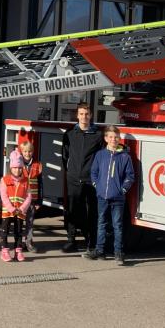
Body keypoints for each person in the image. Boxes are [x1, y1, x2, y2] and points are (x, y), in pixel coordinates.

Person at [85, 125, 135, 266]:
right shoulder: (100, 155)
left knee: (117, 225)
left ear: (119, 139)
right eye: (111, 137)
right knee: (101, 223)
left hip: (118, 198)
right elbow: (94, 172)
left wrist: (122, 190)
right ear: (106, 138)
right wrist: (97, 186)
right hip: (102, 196)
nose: (114, 139)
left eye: (116, 137)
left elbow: (130, 176)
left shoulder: (125, 157)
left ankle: (118, 253)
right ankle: (100, 250)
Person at [62, 102, 103, 253]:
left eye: (86, 114)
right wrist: (71, 172)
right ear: (77, 115)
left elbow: (101, 158)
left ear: (91, 115)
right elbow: (65, 156)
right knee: (72, 210)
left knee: (91, 211)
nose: (84, 117)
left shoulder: (98, 136)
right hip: (73, 178)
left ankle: (90, 242)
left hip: (91, 179)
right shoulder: (69, 134)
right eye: (81, 114)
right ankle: (71, 241)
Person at [0, 153, 32, 262]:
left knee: (19, 232)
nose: (17, 170)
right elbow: (4, 196)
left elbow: (29, 196)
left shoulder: (26, 181)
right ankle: (4, 251)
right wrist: (11, 208)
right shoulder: (4, 180)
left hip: (20, 212)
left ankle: (18, 251)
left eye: (19, 168)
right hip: (8, 211)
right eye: (15, 168)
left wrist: (22, 208)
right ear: (11, 168)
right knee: (5, 231)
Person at [14, 140, 43, 253]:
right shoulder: (18, 165)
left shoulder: (38, 165)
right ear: (22, 151)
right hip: (20, 199)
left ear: (33, 151)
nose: (27, 153)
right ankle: (19, 243)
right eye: (25, 151)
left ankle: (29, 243)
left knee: (30, 222)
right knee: (19, 222)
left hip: (32, 200)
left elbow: (41, 185)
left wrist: (39, 201)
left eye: (30, 151)